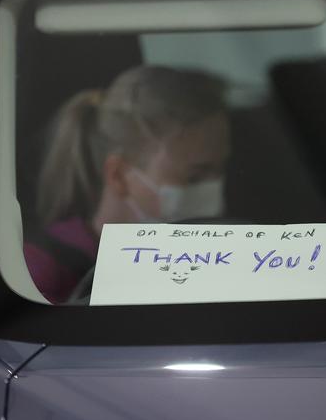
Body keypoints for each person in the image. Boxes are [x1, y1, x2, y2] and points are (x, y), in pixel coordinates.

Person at [24, 65, 231, 303]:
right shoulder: (42, 274)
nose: (215, 188)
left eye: (220, 170)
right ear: (119, 176)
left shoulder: (214, 260)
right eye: (194, 177)